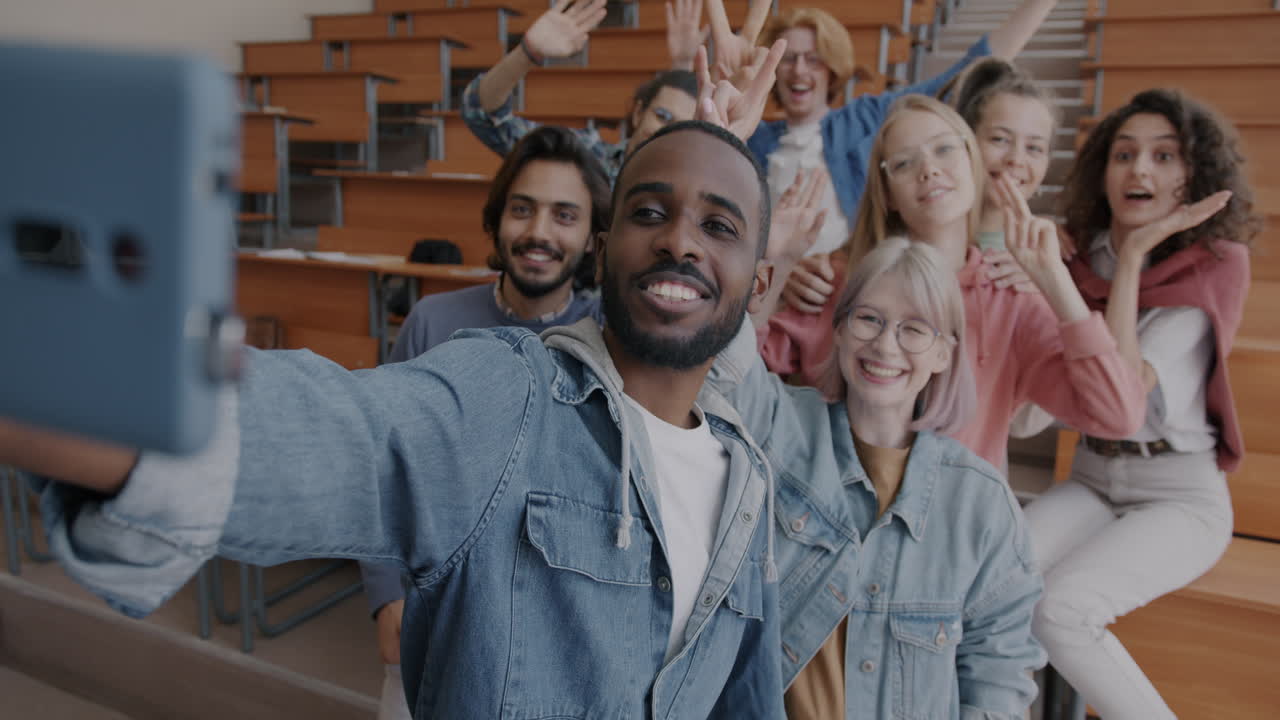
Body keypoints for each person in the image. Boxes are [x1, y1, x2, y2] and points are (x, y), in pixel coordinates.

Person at [1, 106, 805, 717]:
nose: (680, 243)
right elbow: (319, 433)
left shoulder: (748, 484)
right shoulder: (511, 396)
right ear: (605, 247)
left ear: (760, 285)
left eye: (719, 225)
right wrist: (51, 370)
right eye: (650, 212)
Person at [708, 237, 1045, 719]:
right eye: (869, 319)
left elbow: (999, 676)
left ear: (944, 354)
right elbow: (717, 363)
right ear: (839, 330)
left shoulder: (981, 504)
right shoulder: (779, 424)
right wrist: (770, 258)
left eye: (914, 329)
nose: (886, 345)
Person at [359, 125, 609, 720]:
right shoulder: (431, 320)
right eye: (522, 209)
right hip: (436, 619)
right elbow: (381, 463)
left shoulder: (614, 337)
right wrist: (385, 595)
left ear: (594, 238)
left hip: (564, 636)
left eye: (564, 215)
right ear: (498, 220)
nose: (539, 232)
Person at [1024, 89, 1259, 720]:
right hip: (1094, 476)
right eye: (1124, 154)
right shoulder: (1082, 255)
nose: (1140, 170)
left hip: (1178, 495)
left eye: (1164, 156)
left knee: (1061, 610)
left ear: (1193, 173)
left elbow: (1124, 388)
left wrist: (1130, 261)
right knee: (997, 576)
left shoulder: (1213, 266)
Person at [761, 95, 1146, 470]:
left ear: (974, 164)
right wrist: (775, 273)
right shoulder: (838, 279)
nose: (928, 169)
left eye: (944, 149)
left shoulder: (1011, 296)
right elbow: (737, 369)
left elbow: (1118, 417)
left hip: (951, 527)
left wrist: (1057, 284)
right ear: (889, 195)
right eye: (904, 163)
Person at [717, 0, 1065, 318]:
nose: (798, 70)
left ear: (833, 67)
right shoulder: (752, 138)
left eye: (813, 58)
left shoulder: (864, 119)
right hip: (770, 298)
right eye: (787, 58)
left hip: (852, 289)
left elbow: (968, 69)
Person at [461, 0, 703, 180]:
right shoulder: (585, 159)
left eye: (680, 126)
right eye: (662, 117)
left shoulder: (690, 192)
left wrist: (682, 67)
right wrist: (527, 53)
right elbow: (483, 114)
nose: (666, 133)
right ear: (639, 113)